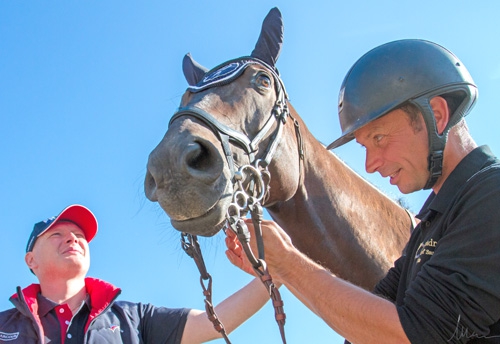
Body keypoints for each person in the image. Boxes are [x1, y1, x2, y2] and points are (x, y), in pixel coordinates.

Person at [225, 39, 500, 343]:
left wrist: (289, 263)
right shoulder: (430, 227)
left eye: (379, 137)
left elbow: (415, 336)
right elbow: (372, 324)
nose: (370, 165)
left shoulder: (491, 195)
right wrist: (281, 267)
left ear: (436, 115)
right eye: (364, 147)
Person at [0, 204, 273, 343]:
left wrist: (276, 274)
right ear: (31, 260)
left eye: (79, 235)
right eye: (57, 235)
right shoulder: (4, 327)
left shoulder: (133, 318)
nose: (72, 239)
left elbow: (214, 322)